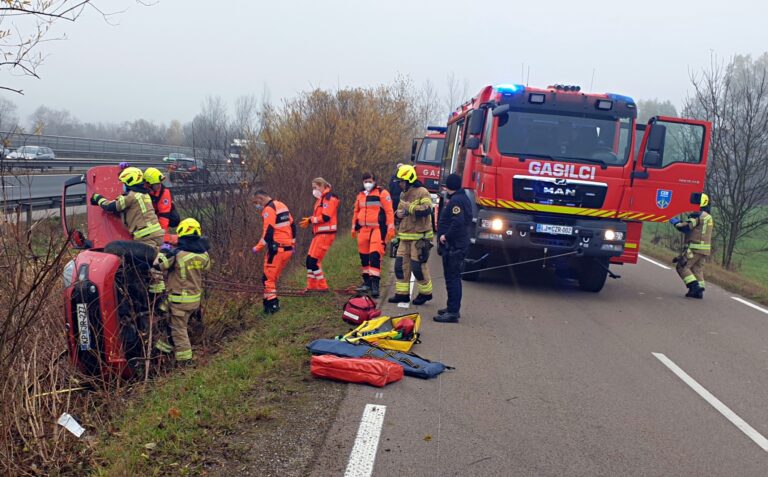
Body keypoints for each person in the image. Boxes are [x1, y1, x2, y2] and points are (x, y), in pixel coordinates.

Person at [153, 218, 211, 364]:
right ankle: (163, 350)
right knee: (165, 317)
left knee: (179, 331)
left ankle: (185, 360)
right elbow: (206, 268)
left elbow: (158, 265)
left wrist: (164, 250)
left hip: (179, 301)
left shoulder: (177, 254)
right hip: (194, 299)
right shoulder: (204, 255)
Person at [388, 164, 434, 305]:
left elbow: (427, 209)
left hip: (419, 238)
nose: (400, 184)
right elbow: (399, 211)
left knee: (417, 267)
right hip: (404, 236)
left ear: (409, 180)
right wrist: (398, 214)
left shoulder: (422, 192)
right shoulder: (403, 194)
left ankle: (425, 293)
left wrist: (409, 208)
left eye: (401, 182)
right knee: (400, 266)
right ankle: (402, 294)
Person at [90, 167, 165, 250]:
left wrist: (98, 199)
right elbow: (133, 212)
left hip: (145, 237)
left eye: (123, 183)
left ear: (128, 183)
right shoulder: (144, 194)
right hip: (157, 234)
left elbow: (110, 206)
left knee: (141, 260)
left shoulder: (131, 197)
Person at [434, 174, 472, 323]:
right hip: (457, 244)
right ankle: (451, 307)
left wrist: (446, 237)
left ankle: (453, 312)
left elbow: (458, 222)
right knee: (452, 278)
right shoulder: (462, 198)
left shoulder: (456, 200)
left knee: (452, 278)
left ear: (448, 186)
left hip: (454, 246)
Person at [251, 190, 296, 314]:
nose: (257, 205)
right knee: (269, 278)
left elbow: (268, 232)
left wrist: (257, 247)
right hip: (287, 249)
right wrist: (292, 243)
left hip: (277, 249)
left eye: (256, 202)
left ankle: (273, 306)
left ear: (260, 198)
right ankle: (267, 306)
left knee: (268, 280)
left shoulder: (268, 210)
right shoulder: (282, 205)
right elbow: (293, 226)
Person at [352, 172, 395, 298]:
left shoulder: (382, 193)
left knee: (375, 255)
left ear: (375, 181)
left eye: (369, 181)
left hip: (377, 229)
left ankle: (375, 285)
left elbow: (389, 211)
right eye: (365, 181)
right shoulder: (360, 195)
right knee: (364, 257)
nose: (367, 183)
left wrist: (390, 227)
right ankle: (367, 282)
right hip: (363, 229)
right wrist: (353, 227)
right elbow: (356, 211)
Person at [300, 178, 339, 292]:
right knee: (309, 261)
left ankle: (323, 288)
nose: (314, 190)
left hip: (326, 234)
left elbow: (326, 217)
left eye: (315, 187)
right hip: (319, 234)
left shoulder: (329, 198)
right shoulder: (320, 199)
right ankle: (311, 287)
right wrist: (311, 221)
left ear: (322, 186)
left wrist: (312, 220)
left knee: (314, 261)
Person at [671, 193, 713, 299]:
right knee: (696, 269)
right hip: (705, 250)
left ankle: (694, 287)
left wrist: (675, 222)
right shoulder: (708, 216)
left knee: (682, 266)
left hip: (695, 247)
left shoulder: (697, 215)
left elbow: (685, 228)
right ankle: (698, 292)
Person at [144, 167, 180, 244]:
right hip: (149, 212)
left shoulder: (164, 192)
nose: (159, 185)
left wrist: (163, 238)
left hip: (159, 212)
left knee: (175, 219)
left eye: (160, 183)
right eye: (157, 184)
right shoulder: (142, 190)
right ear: (149, 184)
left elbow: (164, 216)